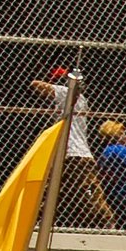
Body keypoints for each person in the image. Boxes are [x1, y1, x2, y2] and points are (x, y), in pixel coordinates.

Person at [32, 71, 114, 226]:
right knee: (57, 192)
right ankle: (40, 221)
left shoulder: (66, 94)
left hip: (75, 154)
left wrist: (56, 86)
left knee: (87, 192)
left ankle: (106, 222)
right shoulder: (79, 99)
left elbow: (35, 84)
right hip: (71, 155)